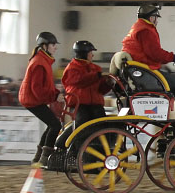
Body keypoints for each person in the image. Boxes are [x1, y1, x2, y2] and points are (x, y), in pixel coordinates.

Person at [120, 4, 175, 120]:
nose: (157, 21)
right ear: (152, 18)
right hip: (146, 73)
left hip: (141, 71)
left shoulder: (137, 27)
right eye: (156, 18)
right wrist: (173, 57)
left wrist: (169, 58)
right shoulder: (146, 30)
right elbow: (155, 53)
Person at [19, 32, 63, 166]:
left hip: (33, 99)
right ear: (44, 46)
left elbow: (47, 85)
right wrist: (54, 96)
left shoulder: (43, 60)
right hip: (32, 100)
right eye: (53, 45)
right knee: (55, 125)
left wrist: (55, 93)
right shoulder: (39, 62)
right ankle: (44, 158)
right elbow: (37, 89)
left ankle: (38, 158)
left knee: (52, 124)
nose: (55, 47)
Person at [62, 41, 113, 129]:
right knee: (82, 124)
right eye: (91, 53)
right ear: (84, 54)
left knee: (102, 124)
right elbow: (80, 80)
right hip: (79, 104)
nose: (92, 55)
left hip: (96, 104)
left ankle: (100, 141)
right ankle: (77, 142)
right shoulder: (72, 68)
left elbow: (101, 90)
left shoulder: (96, 68)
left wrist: (108, 83)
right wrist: (97, 75)